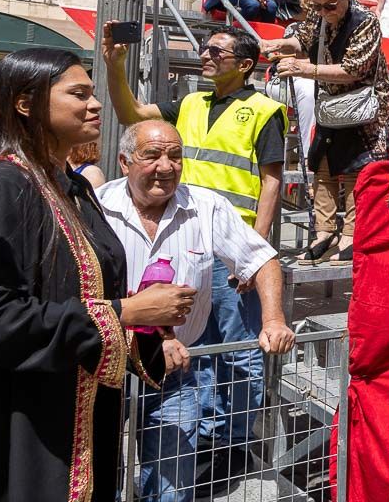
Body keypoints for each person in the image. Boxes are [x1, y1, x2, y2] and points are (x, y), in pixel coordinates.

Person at [0, 48, 190, 502]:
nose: (95, 105)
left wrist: (146, 322)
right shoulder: (3, 184)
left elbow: (92, 289)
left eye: (94, 94)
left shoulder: (74, 187)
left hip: (87, 411)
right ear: (26, 103)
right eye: (79, 94)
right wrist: (123, 312)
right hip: (30, 421)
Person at [103, 21, 287, 470]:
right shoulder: (188, 103)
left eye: (217, 52)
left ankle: (232, 443)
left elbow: (271, 181)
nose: (206, 56)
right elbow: (131, 114)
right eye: (205, 49)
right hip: (182, 239)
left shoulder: (264, 109)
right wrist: (115, 66)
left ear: (245, 65)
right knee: (192, 351)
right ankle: (198, 435)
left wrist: (253, 253)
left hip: (229, 249)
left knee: (239, 353)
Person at [97, 120, 295, 501]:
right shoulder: (97, 207)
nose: (166, 166)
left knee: (172, 487)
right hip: (108, 368)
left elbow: (261, 259)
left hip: (174, 374)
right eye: (151, 155)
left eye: (175, 156)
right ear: (124, 162)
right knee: (100, 476)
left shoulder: (207, 207)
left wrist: (273, 319)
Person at [262, 0, 389, 265]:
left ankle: (351, 234)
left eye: (331, 6)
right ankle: (323, 233)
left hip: (366, 109)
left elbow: (354, 69)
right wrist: (279, 45)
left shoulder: (365, 20)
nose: (325, 12)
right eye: (319, 6)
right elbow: (304, 41)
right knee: (321, 167)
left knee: (355, 170)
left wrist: (303, 68)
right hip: (332, 106)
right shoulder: (319, 13)